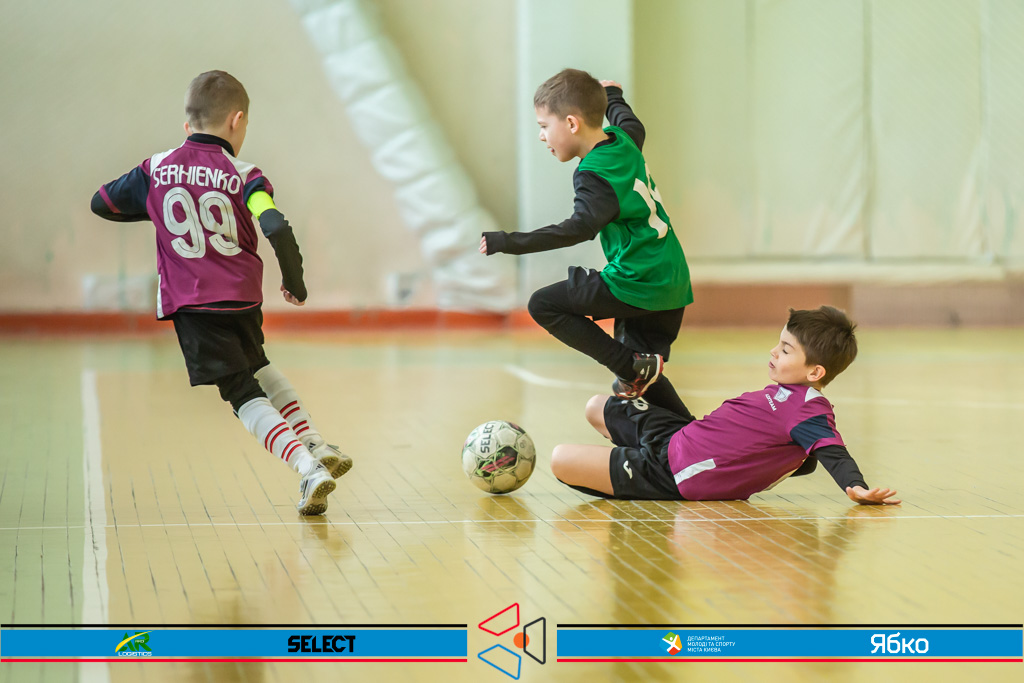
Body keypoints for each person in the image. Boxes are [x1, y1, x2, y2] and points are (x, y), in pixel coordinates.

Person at [90, 70, 351, 515]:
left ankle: (307, 467)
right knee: (258, 365)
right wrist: (295, 282)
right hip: (242, 297)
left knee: (239, 390)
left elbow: (102, 202)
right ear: (237, 120)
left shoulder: (156, 169)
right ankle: (314, 442)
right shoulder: (245, 174)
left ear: (187, 124)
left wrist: (157, 209)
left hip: (193, 302)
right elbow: (275, 225)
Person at [480, 68, 693, 416]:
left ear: (571, 123)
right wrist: (614, 96)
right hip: (671, 278)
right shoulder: (624, 140)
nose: (541, 137)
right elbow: (631, 123)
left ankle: (629, 365)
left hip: (639, 280)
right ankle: (692, 433)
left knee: (544, 305)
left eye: (544, 126)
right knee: (643, 384)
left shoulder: (594, 174)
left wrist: (509, 242)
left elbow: (578, 229)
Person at [550, 306, 900, 505]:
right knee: (596, 406)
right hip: (678, 436)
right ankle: (630, 454)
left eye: (785, 350)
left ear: (815, 372)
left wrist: (856, 486)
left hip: (675, 473)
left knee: (559, 459)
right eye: (778, 343)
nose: (774, 351)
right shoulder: (788, 395)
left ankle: (634, 470)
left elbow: (832, 451)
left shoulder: (810, 411)